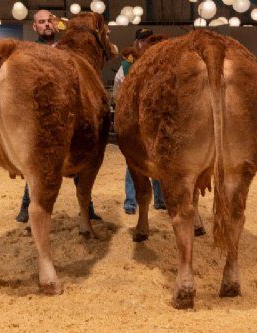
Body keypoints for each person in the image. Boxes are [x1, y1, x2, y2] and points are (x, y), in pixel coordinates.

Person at [15, 10, 101, 224]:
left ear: (57, 25)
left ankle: (86, 207)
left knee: (80, 156)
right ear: (35, 27)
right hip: (45, 115)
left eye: (49, 21)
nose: (46, 25)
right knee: (37, 163)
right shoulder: (29, 53)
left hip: (74, 111)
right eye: (41, 22)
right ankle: (27, 205)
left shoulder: (71, 50)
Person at [113, 28, 166, 215]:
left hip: (157, 120)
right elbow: (118, 90)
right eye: (143, 40)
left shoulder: (163, 63)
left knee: (158, 158)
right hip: (134, 121)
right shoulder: (127, 66)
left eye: (150, 40)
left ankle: (160, 200)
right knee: (134, 161)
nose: (146, 43)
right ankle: (131, 202)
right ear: (138, 43)